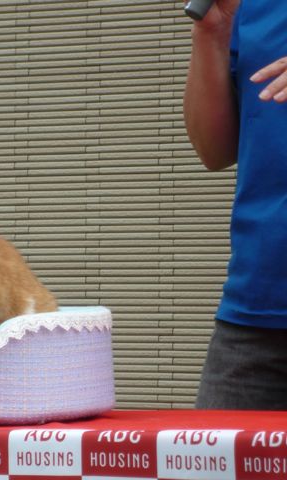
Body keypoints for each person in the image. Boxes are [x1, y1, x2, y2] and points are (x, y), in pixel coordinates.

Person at [184, 0, 287, 409]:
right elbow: (213, 150)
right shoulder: (248, 6)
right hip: (255, 310)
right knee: (210, 449)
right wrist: (211, 33)